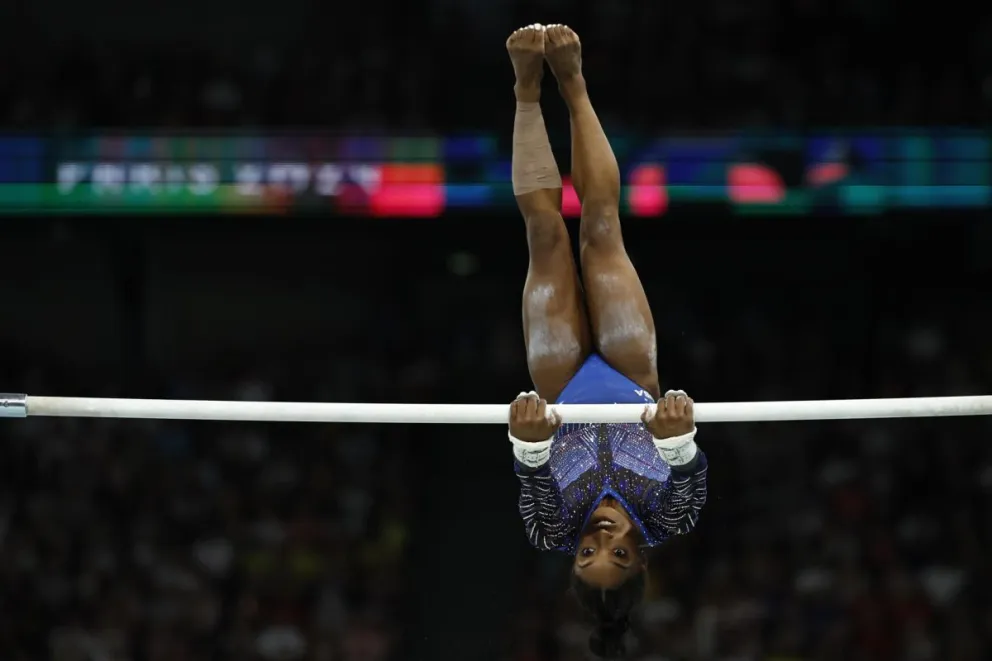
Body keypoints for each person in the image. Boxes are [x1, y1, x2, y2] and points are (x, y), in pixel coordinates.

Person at [504, 24, 709, 659]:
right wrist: (676, 439)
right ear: (640, 560)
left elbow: (529, 467)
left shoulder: (549, 529)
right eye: (616, 553)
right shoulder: (671, 519)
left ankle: (527, 92)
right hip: (630, 379)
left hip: (563, 387)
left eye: (586, 554)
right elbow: (691, 472)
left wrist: (529, 441)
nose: (599, 538)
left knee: (545, 237)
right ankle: (574, 83)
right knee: (599, 231)